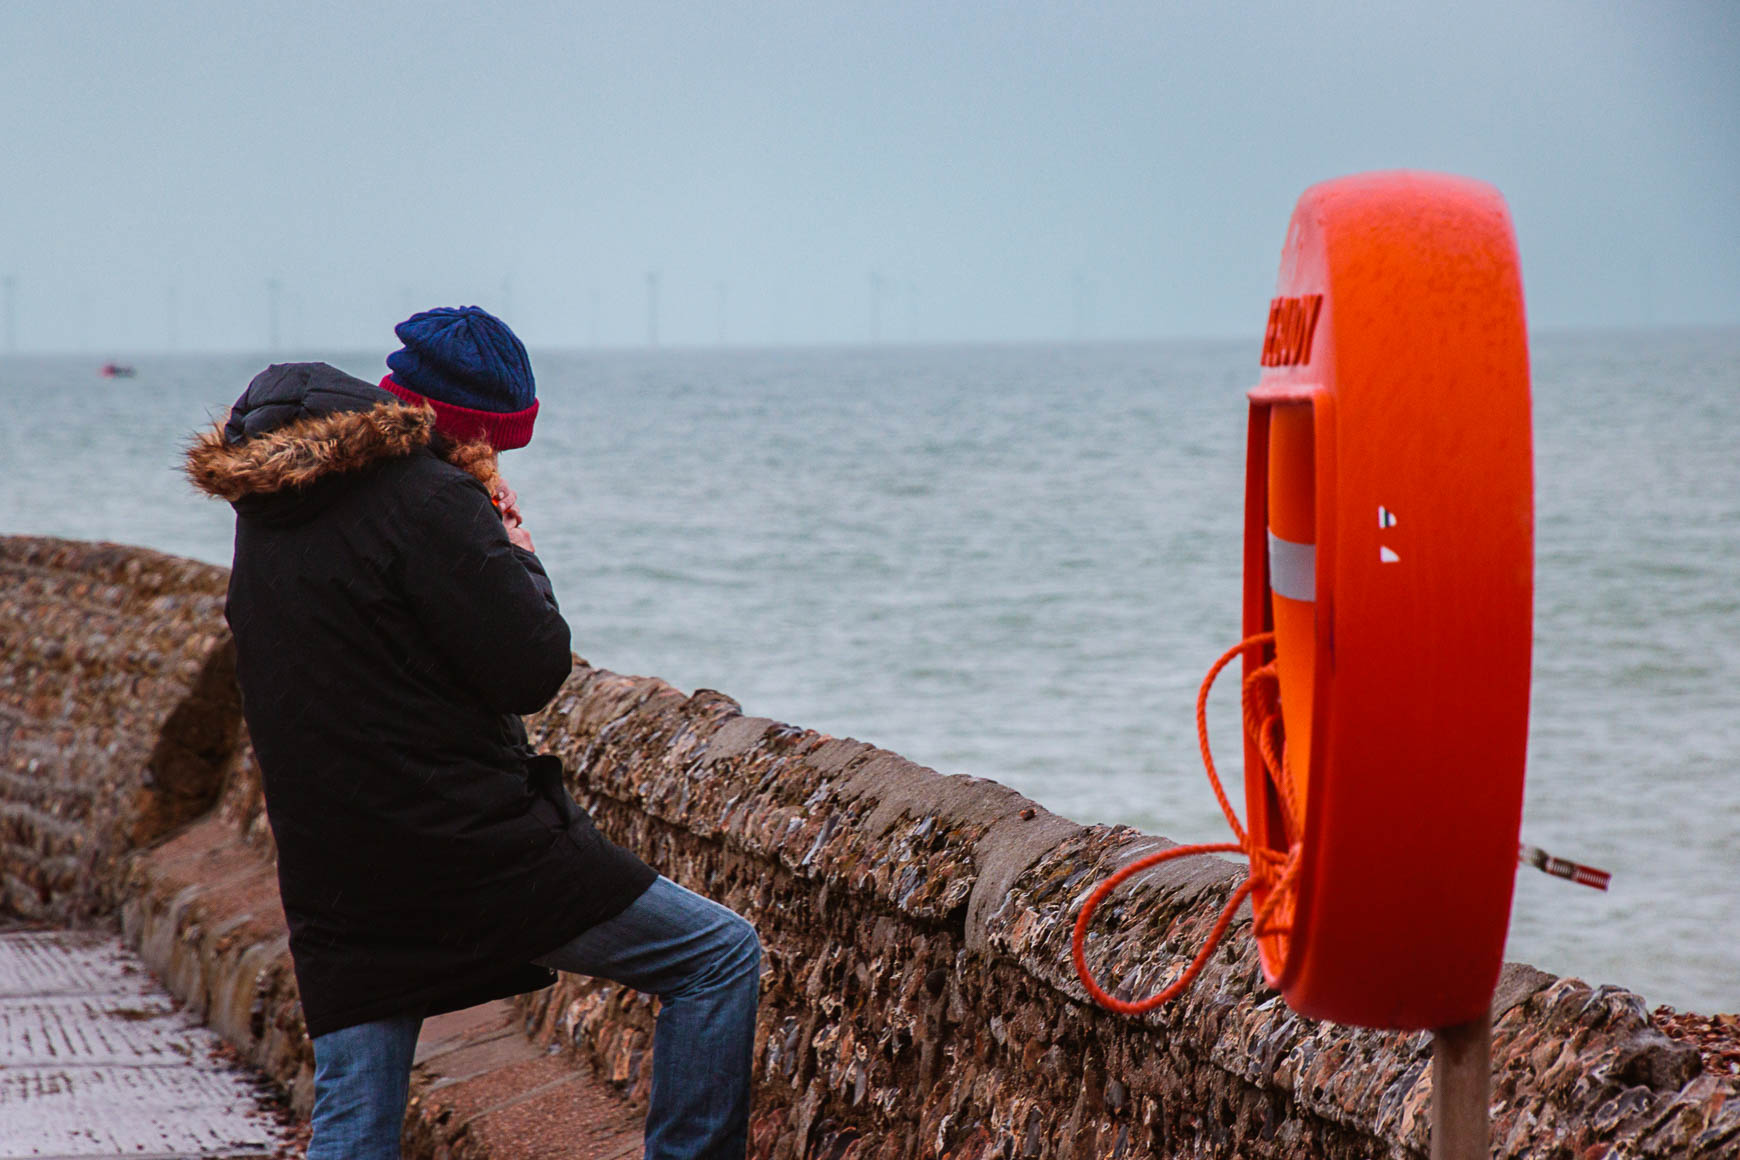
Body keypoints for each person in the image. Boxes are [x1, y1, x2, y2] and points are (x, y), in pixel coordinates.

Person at [186, 306, 760, 1160]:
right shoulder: (431, 497)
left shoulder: (277, 499)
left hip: (334, 864)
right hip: (465, 849)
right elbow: (531, 669)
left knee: (354, 1125)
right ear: (467, 425)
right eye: (499, 444)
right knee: (717, 956)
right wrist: (516, 552)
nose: (497, 462)